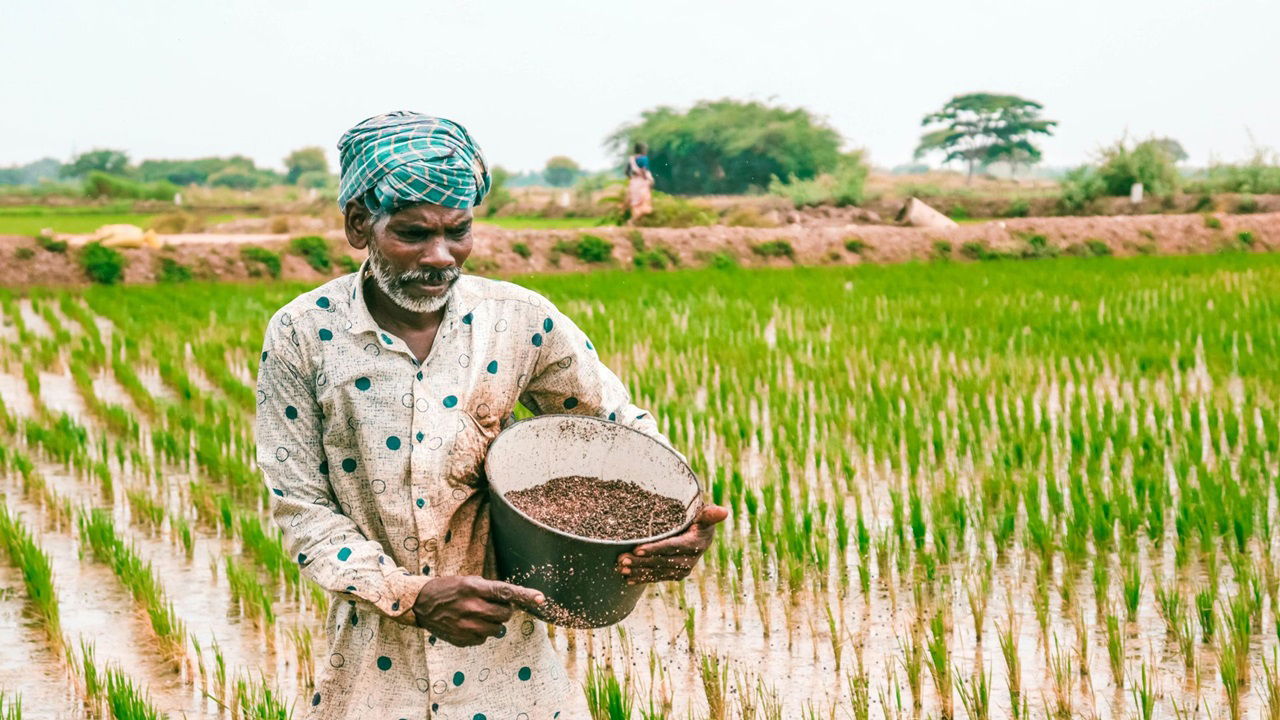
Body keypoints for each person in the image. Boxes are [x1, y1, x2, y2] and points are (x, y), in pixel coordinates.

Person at [254, 112, 728, 720]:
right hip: (373, 667)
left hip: (509, 665)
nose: (440, 256)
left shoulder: (518, 320)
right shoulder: (304, 334)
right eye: (413, 233)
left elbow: (618, 429)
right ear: (358, 225)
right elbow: (301, 506)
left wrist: (682, 519)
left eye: (458, 231)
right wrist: (410, 594)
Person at [624, 141, 655, 225]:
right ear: (643, 150)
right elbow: (644, 170)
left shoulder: (631, 159)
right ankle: (632, 221)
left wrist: (632, 179)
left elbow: (626, 172)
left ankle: (634, 223)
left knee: (635, 203)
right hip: (641, 182)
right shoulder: (644, 158)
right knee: (644, 201)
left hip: (633, 182)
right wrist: (647, 179)